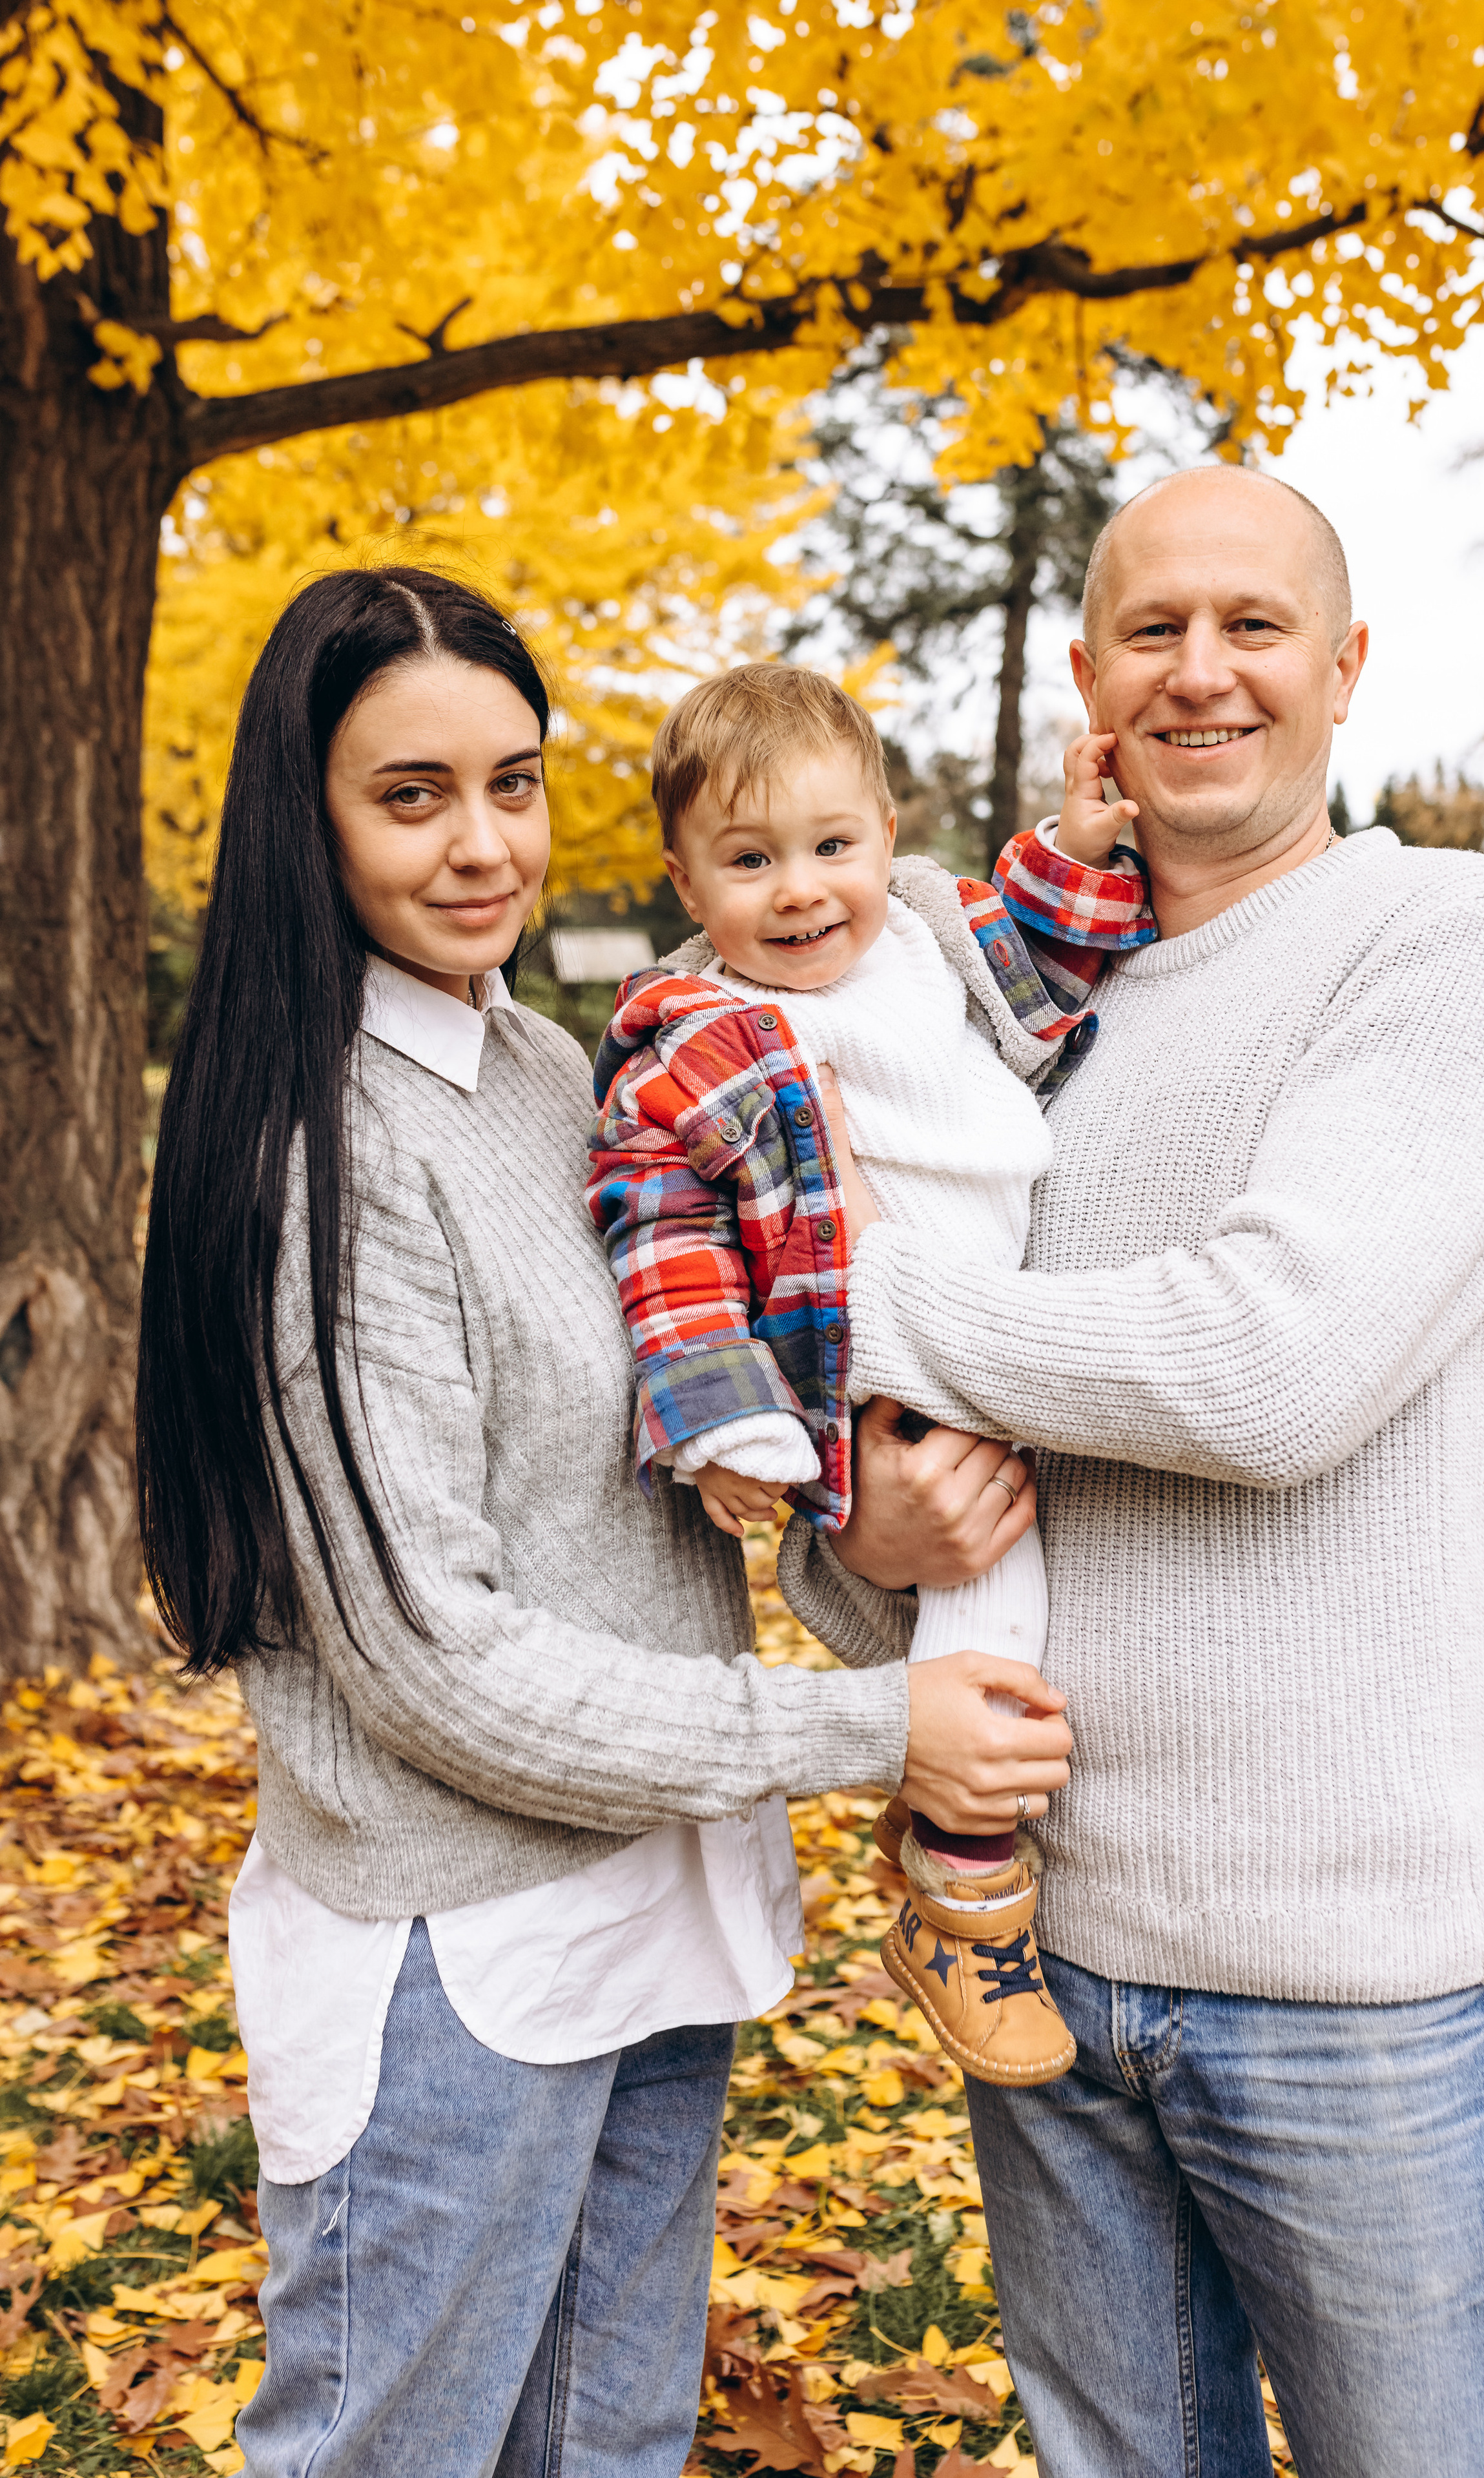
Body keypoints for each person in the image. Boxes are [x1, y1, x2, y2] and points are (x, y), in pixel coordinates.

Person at [134, 566, 1071, 2478]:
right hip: (457, 1956)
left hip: (650, 1895)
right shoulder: (326, 1145)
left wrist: (859, 1546)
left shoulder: (562, 1066)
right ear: (305, 815)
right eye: (412, 794)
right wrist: (875, 1724)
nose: (484, 844)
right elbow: (439, 1666)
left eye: (516, 779)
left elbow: (676, 1446)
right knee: (395, 2448)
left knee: (609, 2440)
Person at [779, 468, 1484, 2477]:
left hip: (1343, 1978)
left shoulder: (1440, 937)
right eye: (1153, 631)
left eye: (1253, 625)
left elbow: (1267, 1366)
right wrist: (859, 1536)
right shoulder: (1022, 1018)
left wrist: (867, 1309)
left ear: (1345, 667)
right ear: (1090, 677)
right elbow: (914, 1513)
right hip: (1039, 1944)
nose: (1202, 672)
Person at [586, 665, 1154, 2085]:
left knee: (1026, 1590)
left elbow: (1039, 969)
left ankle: (948, 1837)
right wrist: (727, 1425)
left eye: (831, 846)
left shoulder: (928, 937)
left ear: (887, 833)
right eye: (748, 859)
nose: (798, 891)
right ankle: (963, 1891)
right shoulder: (701, 1038)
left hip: (994, 1319)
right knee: (994, 1595)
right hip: (876, 1352)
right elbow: (665, 1241)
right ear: (684, 876)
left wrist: (1076, 847)